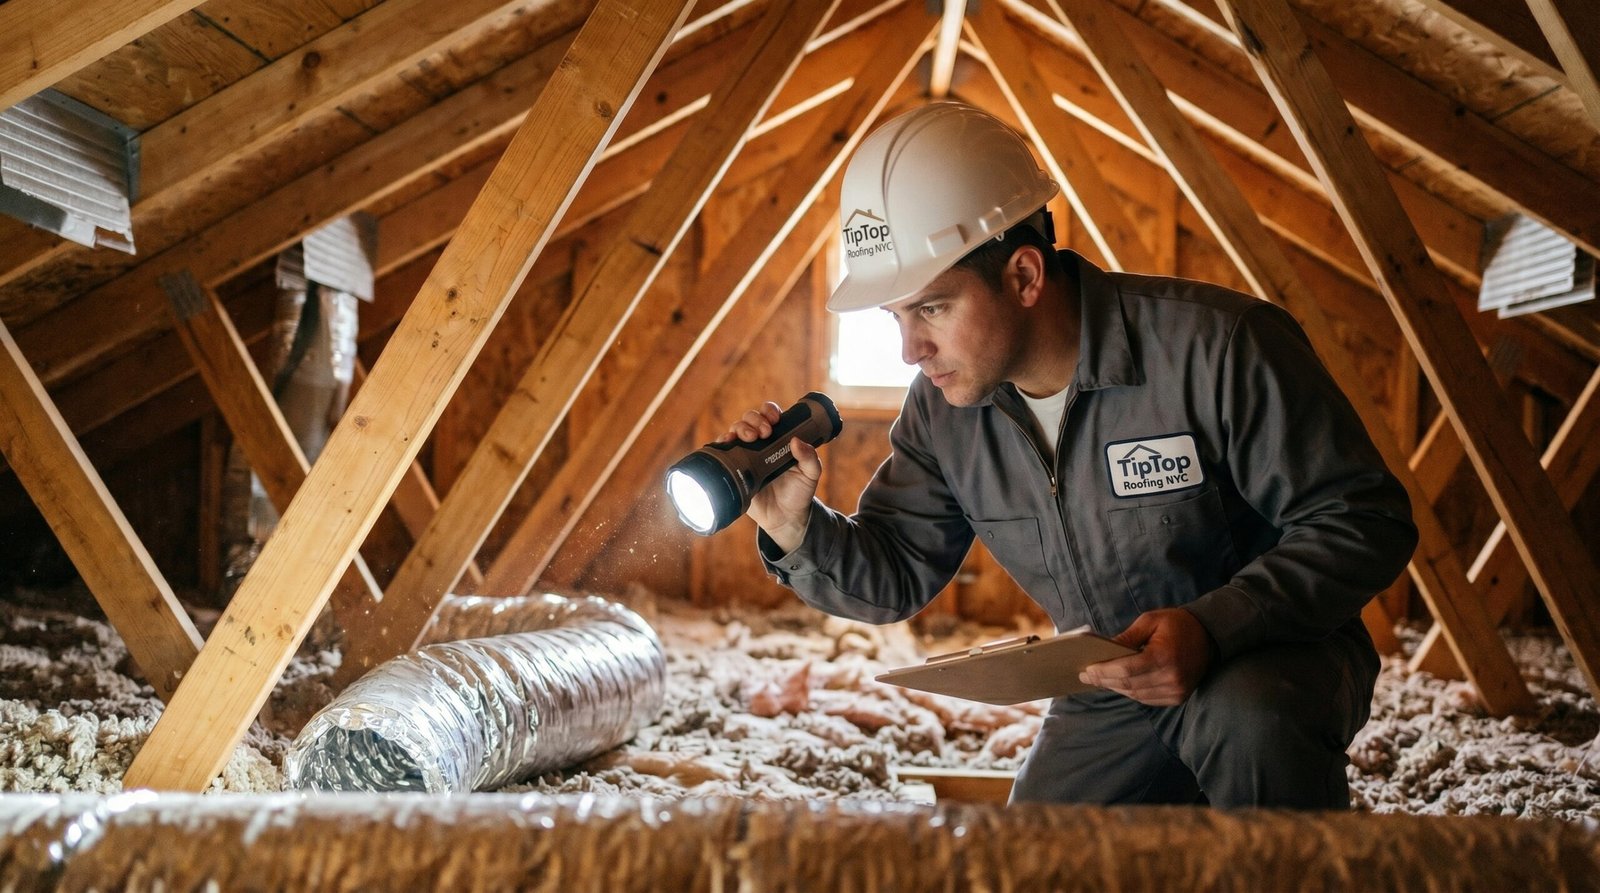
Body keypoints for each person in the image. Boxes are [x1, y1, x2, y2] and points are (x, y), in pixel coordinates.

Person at [720, 102, 1417, 809]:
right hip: (1110, 689)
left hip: (1269, 657)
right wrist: (793, 527)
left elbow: (1364, 518)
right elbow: (896, 569)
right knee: (1035, 860)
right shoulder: (944, 412)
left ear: (1024, 276)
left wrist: (1215, 625)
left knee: (1251, 721)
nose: (910, 350)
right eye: (894, 318)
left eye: (931, 309)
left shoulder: (1219, 348)